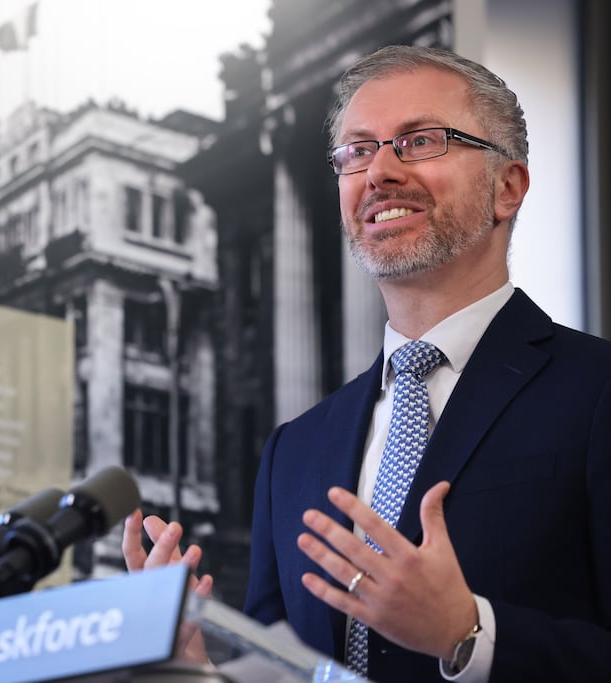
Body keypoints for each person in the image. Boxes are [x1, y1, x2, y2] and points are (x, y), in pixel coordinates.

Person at [122, 44, 611, 683]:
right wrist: (196, 668)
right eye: (357, 150)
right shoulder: (293, 452)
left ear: (507, 188)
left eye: (421, 140)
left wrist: (470, 634)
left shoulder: (596, 391)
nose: (379, 170)